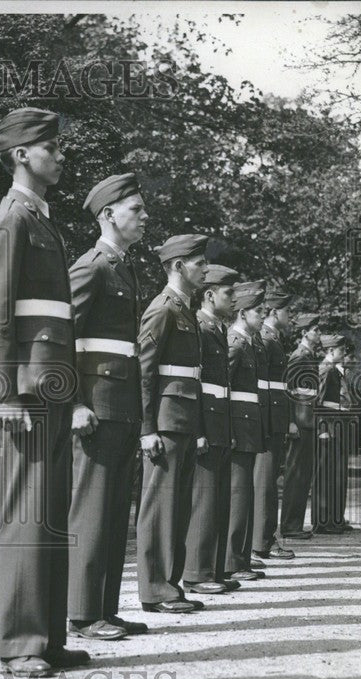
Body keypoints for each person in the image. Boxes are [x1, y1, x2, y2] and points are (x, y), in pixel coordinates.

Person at [0, 107, 89, 678]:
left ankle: (46, 635)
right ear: (22, 155)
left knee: (48, 514)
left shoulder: (41, 220)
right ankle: (20, 642)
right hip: (24, 391)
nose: (61, 155)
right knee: (25, 514)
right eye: (52, 147)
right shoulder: (12, 219)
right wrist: (3, 392)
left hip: (49, 385)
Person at [66, 172, 149, 641]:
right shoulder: (91, 266)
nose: (144, 217)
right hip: (96, 406)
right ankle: (81, 612)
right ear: (107, 215)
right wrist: (73, 402)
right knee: (92, 510)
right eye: (135, 209)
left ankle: (103, 607)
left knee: (116, 513)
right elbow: (63, 338)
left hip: (120, 406)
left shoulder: (124, 266)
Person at [135, 234, 209, 614]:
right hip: (164, 423)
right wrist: (147, 428)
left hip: (182, 420)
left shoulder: (185, 310)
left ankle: (169, 585)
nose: (205, 269)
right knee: (160, 508)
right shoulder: (163, 309)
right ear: (178, 266)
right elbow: (145, 371)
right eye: (199, 263)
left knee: (177, 507)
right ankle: (155, 588)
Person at [182, 261, 242, 596]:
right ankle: (195, 573)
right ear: (208, 295)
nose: (234, 299)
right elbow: (197, 385)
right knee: (203, 501)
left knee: (217, 500)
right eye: (228, 293)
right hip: (206, 425)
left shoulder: (216, 329)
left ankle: (213, 570)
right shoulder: (200, 329)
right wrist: (200, 430)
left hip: (221, 425)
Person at [224, 280, 267, 582]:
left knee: (245, 494)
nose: (263, 317)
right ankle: (231, 559)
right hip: (237, 427)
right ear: (242, 314)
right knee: (237, 494)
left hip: (248, 426)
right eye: (258, 312)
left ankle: (239, 558)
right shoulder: (235, 345)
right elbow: (221, 391)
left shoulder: (247, 345)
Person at [251, 290, 298, 561]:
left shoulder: (272, 340)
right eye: (286, 312)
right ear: (273, 312)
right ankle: (261, 541)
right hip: (267, 421)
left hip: (275, 420)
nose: (289, 316)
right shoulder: (266, 341)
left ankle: (264, 539)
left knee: (268, 484)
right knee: (265, 484)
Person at [279, 313, 322, 540]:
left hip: (308, 422)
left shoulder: (309, 356)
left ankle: (294, 524)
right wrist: (291, 422)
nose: (319, 334)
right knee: (295, 475)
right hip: (300, 423)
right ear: (305, 333)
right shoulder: (299, 357)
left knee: (303, 476)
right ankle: (289, 526)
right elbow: (288, 392)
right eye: (316, 330)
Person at [312, 334, 354, 534]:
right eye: (341, 350)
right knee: (326, 475)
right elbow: (317, 403)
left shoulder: (335, 371)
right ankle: (323, 521)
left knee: (337, 474)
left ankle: (335, 518)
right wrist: (322, 431)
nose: (343, 353)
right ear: (330, 351)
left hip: (337, 426)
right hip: (328, 429)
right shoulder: (326, 370)